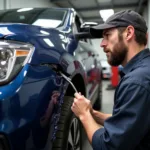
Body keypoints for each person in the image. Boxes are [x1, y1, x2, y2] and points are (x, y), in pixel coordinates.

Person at [71, 10, 150, 150]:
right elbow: (129, 121)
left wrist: (84, 115)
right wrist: (93, 114)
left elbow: (108, 146)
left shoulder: (136, 82)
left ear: (129, 33)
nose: (102, 44)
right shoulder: (143, 71)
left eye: (107, 35)